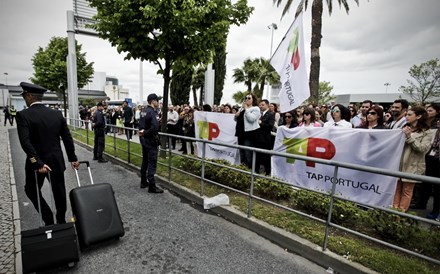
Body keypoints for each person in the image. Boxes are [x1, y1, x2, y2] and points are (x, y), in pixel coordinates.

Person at [16, 82, 79, 225]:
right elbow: (67, 138)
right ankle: (61, 220)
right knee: (59, 193)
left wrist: (38, 162)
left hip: (36, 164)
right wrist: (73, 158)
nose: (25, 98)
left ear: (30, 96)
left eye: (25, 95)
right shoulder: (56, 114)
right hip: (56, 160)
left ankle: (48, 218)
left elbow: (25, 142)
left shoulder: (23, 115)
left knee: (31, 190)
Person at [393, 106, 434, 212]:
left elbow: (423, 149)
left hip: (413, 165)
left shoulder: (427, 132)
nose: (407, 117)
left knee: (407, 190)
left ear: (419, 116)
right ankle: (393, 211)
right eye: (406, 114)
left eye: (410, 115)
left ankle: (400, 213)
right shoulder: (404, 128)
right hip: (400, 163)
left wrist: (409, 137)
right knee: (396, 188)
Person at [139, 93, 163, 193]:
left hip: (144, 140)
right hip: (151, 140)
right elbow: (154, 128)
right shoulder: (152, 112)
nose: (158, 103)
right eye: (157, 101)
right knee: (152, 162)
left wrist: (143, 133)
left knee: (145, 161)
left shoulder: (143, 111)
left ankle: (143, 181)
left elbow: (140, 125)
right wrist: (146, 133)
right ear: (153, 101)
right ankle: (152, 186)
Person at [234, 93, 261, 168]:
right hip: (240, 133)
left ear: (253, 100)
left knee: (248, 154)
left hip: (249, 134)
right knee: (242, 153)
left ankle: (251, 171)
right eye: (246, 98)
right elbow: (236, 119)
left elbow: (251, 119)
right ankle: (243, 170)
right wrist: (236, 115)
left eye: (249, 98)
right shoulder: (242, 108)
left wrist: (246, 109)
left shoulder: (255, 108)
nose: (247, 99)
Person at [255, 99, 275, 175]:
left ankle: (267, 172)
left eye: (263, 105)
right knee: (257, 156)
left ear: (267, 105)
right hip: (257, 138)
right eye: (260, 105)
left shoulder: (270, 114)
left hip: (265, 139)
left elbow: (270, 126)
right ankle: (256, 171)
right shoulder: (258, 114)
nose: (261, 106)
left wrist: (261, 123)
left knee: (266, 157)